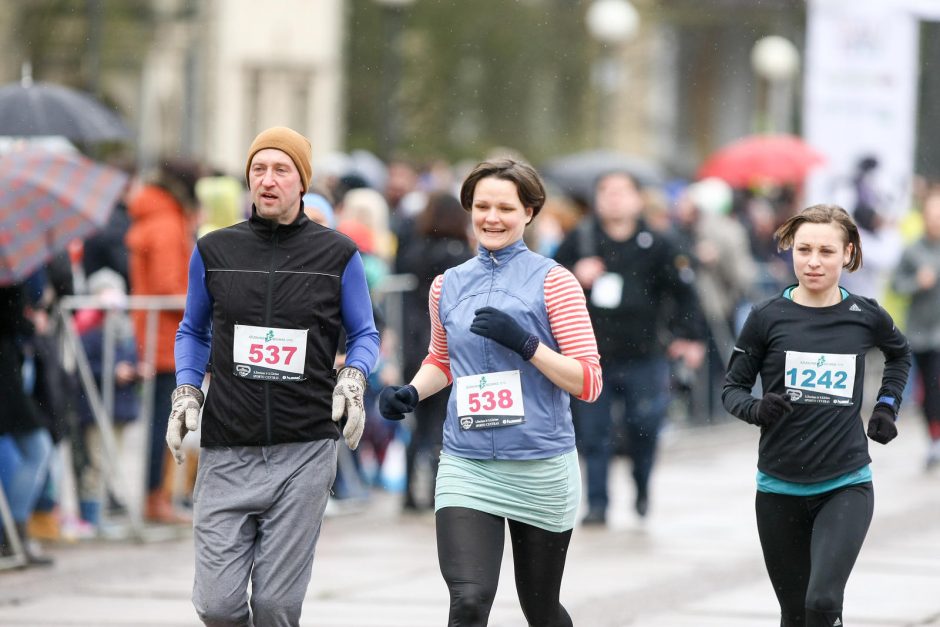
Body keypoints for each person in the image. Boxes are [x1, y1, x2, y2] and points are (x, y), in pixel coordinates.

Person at [169, 126, 380, 626]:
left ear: (302, 182)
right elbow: (192, 330)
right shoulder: (215, 251)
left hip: (304, 448)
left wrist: (352, 378)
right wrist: (185, 391)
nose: (267, 180)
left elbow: (365, 333)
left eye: (281, 170)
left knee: (275, 606)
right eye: (258, 169)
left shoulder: (338, 255)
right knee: (217, 605)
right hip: (227, 446)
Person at [378, 159, 602, 626]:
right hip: (468, 463)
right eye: (482, 206)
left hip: (540, 464)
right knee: (468, 599)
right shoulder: (448, 285)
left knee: (539, 607)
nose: (492, 218)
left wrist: (526, 344)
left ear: (530, 212)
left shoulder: (554, 281)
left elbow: (588, 380)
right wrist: (411, 393)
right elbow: (441, 361)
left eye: (505, 207)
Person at [722, 204, 912, 627]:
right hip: (778, 487)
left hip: (845, 483)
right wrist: (757, 408)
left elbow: (900, 356)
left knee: (823, 601)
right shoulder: (767, 316)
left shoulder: (865, 315)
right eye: (803, 249)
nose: (812, 261)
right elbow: (730, 390)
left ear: (848, 253)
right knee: (795, 614)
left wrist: (886, 406)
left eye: (826, 251)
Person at [553, 170, 707, 525]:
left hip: (645, 353)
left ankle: (641, 485)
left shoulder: (658, 242)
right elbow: (549, 282)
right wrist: (575, 273)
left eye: (622, 192)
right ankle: (597, 504)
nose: (614, 199)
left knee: (645, 425)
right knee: (593, 433)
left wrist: (690, 336)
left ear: (638, 199)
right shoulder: (581, 237)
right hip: (592, 357)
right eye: (606, 191)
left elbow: (685, 293)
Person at [126, 157, 203, 523]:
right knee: (165, 421)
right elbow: (168, 284)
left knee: (163, 419)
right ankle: (155, 498)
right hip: (166, 337)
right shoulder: (168, 222)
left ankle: (156, 496)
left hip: (157, 333)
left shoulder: (156, 216)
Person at [891, 186, 940, 469]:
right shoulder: (912, 251)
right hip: (921, 333)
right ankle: (934, 439)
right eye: (932, 215)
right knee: (929, 389)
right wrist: (916, 283)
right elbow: (897, 284)